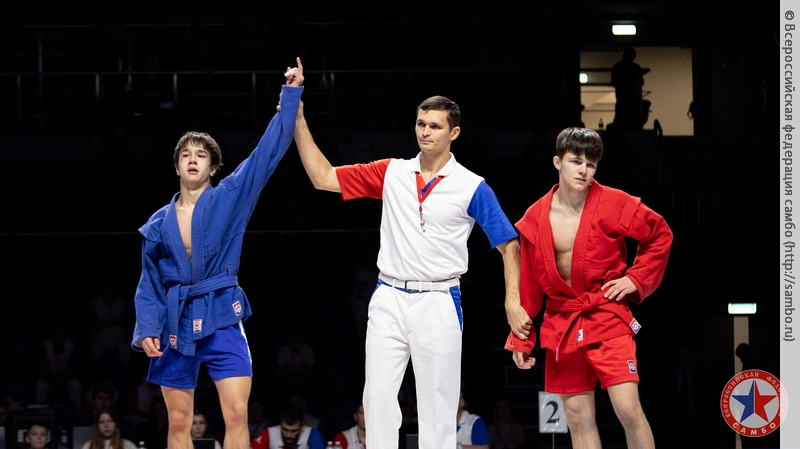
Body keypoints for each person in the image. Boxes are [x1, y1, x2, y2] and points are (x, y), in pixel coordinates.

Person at [293, 93, 520, 449]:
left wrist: (512, 301)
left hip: (439, 299)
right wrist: (298, 121)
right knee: (377, 400)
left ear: (454, 133)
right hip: (388, 296)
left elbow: (509, 244)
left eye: (435, 126)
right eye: (420, 124)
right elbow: (323, 177)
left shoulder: (471, 185)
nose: (425, 132)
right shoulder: (392, 172)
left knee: (438, 409)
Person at [130, 58, 304, 449]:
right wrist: (147, 328)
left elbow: (266, 155)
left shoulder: (228, 198)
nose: (193, 158)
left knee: (238, 414)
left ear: (213, 168)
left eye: (201, 154)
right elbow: (149, 282)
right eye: (185, 155)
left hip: (222, 310)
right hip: (176, 318)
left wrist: (290, 95)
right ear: (176, 167)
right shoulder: (157, 224)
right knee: (178, 421)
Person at [504, 127, 672, 449]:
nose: (583, 170)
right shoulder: (536, 216)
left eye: (591, 164)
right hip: (562, 321)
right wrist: (521, 338)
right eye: (576, 161)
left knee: (627, 408)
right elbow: (529, 285)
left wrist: (635, 278)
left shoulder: (613, 202)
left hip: (606, 314)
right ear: (558, 162)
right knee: (578, 418)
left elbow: (659, 233)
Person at [249, 405, 323, 449]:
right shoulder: (269, 433)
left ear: (302, 425)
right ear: (281, 422)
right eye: (285, 429)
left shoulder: (311, 433)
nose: (289, 435)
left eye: (294, 431)